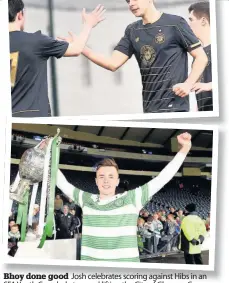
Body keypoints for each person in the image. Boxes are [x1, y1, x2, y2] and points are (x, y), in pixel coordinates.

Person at [56, 132, 192, 262]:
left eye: (111, 177)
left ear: (117, 181)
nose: (106, 181)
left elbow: (162, 178)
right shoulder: (86, 199)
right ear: (96, 181)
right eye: (101, 177)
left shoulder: (132, 199)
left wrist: (184, 150)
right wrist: (45, 155)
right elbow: (62, 183)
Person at [59, 0, 208, 113]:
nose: (131, 3)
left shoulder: (175, 23)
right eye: (128, 0)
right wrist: (80, 46)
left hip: (175, 106)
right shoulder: (132, 30)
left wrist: (188, 84)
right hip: (149, 108)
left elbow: (201, 57)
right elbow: (112, 63)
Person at [9, 0, 105, 117]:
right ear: (20, 14)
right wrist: (88, 25)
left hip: (6, 120)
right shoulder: (35, 41)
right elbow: (76, 49)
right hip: (33, 118)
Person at [188, 1, 212, 111]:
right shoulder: (199, 56)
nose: (188, 25)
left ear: (203, 21)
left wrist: (209, 86)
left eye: (191, 20)